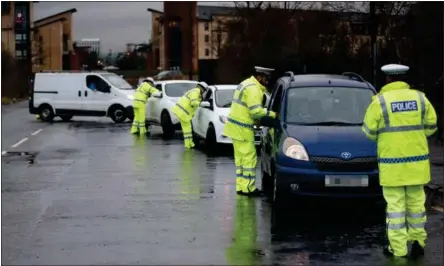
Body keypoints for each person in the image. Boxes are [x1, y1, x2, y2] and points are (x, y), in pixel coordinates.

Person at [362, 64, 437, 258]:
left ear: (387, 79)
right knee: (416, 206)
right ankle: (418, 242)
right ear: (405, 78)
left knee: (395, 209)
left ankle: (398, 249)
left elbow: (369, 132)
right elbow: (431, 127)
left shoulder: (379, 102)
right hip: (417, 165)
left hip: (392, 166)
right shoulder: (421, 98)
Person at [223, 66, 277, 197]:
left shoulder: (246, 84)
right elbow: (256, 111)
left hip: (234, 128)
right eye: (266, 78)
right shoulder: (254, 89)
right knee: (249, 159)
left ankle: (241, 186)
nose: (267, 81)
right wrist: (273, 114)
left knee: (240, 160)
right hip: (243, 129)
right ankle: (249, 189)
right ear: (259, 77)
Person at [171, 81, 208, 148]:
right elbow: (193, 103)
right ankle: (188, 144)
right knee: (187, 129)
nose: (204, 92)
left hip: (181, 112)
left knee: (187, 129)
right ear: (202, 88)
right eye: (204, 90)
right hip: (183, 113)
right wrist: (200, 103)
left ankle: (189, 143)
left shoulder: (195, 91)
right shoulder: (196, 92)